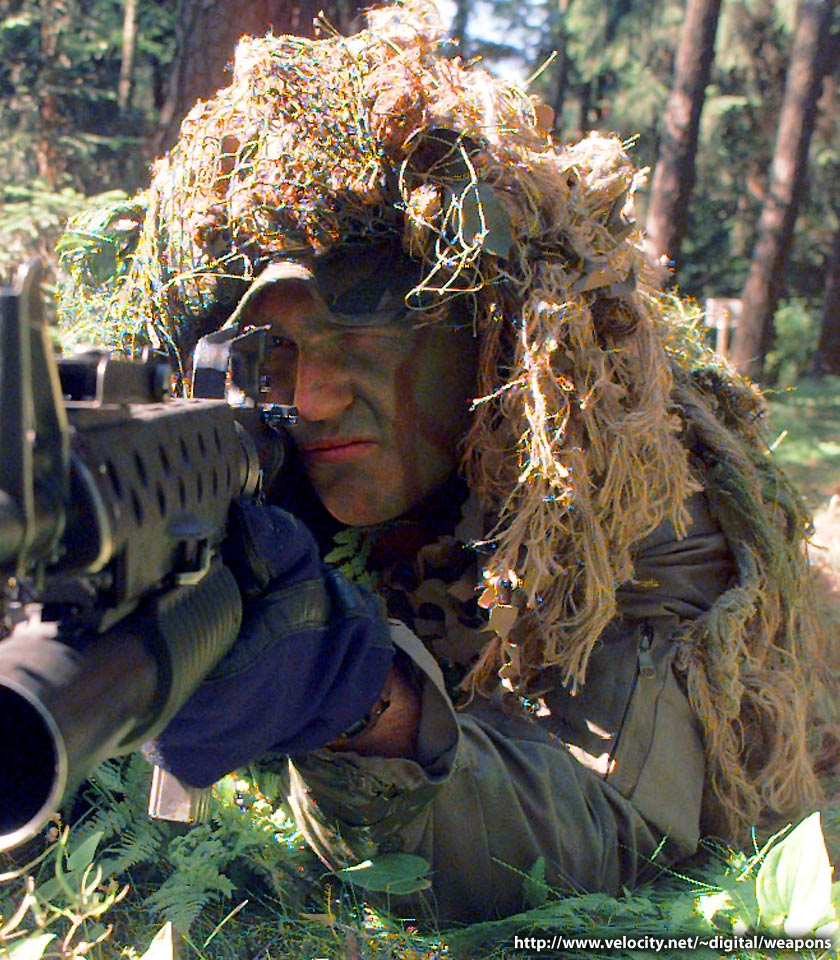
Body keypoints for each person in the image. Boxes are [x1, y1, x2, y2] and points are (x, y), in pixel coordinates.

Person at [57, 0, 829, 923]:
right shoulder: (277, 467)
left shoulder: (633, 491)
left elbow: (612, 832)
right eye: (278, 351)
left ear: (490, 338)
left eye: (362, 334)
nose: (312, 398)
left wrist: (360, 704)